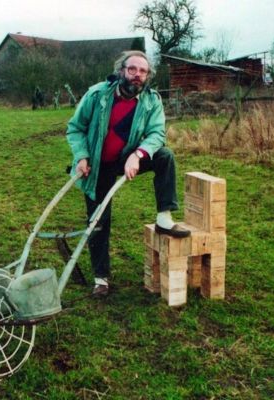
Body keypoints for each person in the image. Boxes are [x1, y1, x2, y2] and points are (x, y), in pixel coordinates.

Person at [66, 50, 190, 297]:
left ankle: (164, 217)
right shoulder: (97, 94)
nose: (137, 75)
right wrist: (81, 156)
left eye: (143, 71)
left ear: (147, 76)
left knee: (164, 155)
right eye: (132, 69)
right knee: (98, 221)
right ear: (121, 70)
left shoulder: (151, 100)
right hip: (97, 164)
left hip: (127, 158)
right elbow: (75, 128)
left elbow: (157, 134)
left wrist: (139, 154)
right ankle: (101, 279)